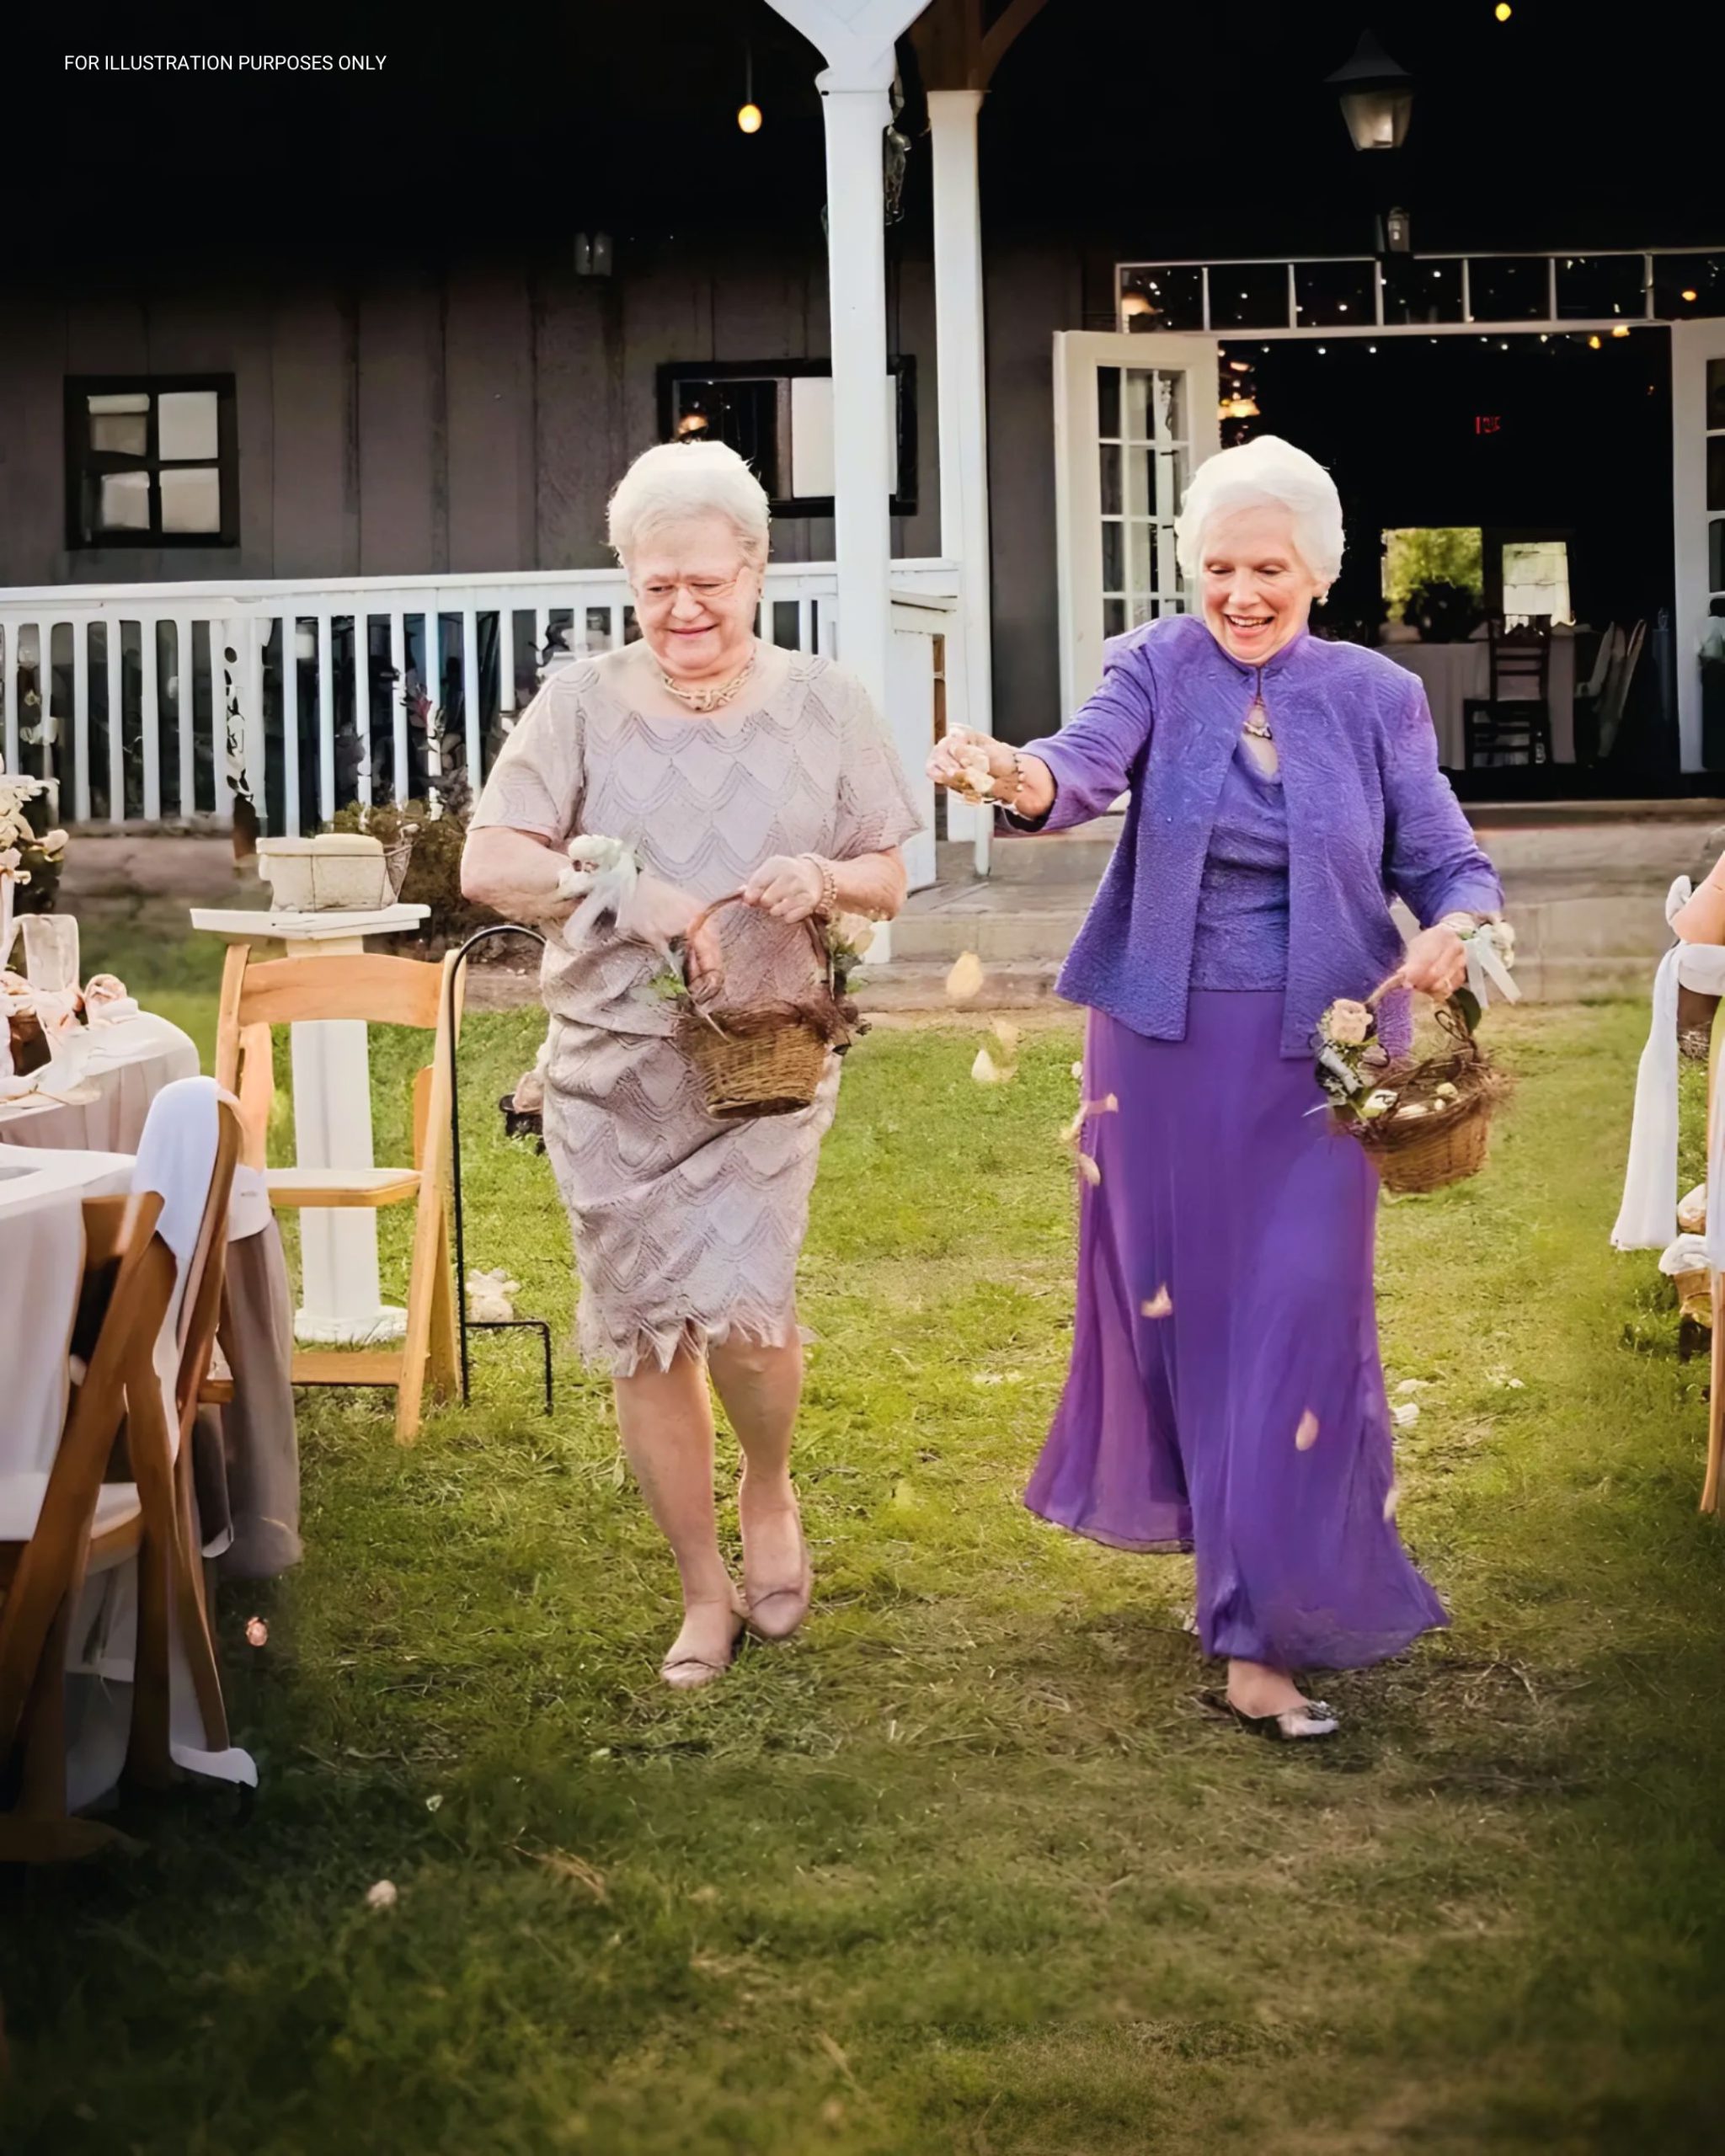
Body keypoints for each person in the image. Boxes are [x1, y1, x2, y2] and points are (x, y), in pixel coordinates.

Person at [928, 435, 1504, 1740]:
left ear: (1321, 573)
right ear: (1193, 569)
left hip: (1331, 1051)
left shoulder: (1374, 694)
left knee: (1299, 1316)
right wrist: (1012, 774)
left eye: (1272, 569)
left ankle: (1259, 1632)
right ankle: (1243, 1594)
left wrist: (1456, 926)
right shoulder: (1154, 666)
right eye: (1221, 568)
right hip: (1163, 1048)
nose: (1244, 593)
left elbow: (1447, 854)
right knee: (1192, 1319)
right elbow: (1076, 766)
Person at [462, 440, 922, 1689]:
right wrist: (630, 891)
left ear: (757, 570)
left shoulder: (824, 700)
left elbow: (888, 862)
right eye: (656, 585)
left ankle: (767, 1486)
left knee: (748, 1319)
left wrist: (825, 878)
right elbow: (489, 861)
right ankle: (701, 1592)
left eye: (706, 582)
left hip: (766, 1063)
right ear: (629, 580)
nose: (682, 610)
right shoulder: (578, 703)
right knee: (648, 1338)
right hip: (612, 1074)